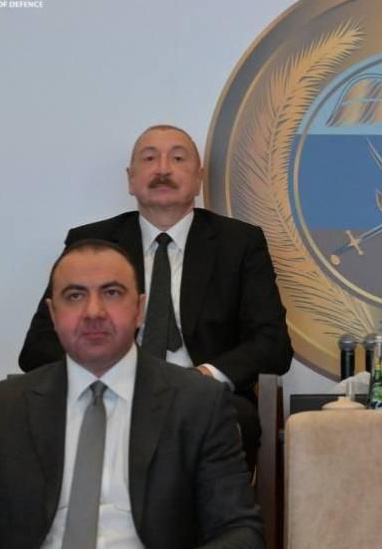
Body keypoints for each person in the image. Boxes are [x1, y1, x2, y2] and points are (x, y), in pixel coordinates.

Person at [0, 239, 263, 548]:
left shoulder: (198, 403)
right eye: (75, 296)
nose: (94, 312)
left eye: (112, 293)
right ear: (53, 314)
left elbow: (239, 530)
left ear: (140, 309)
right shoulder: (4, 407)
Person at [19, 124, 292, 465]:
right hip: (107, 392)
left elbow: (271, 344)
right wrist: (112, 378)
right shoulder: (91, 243)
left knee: (228, 421)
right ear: (131, 179)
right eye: (149, 159)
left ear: (199, 179)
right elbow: (38, 348)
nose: (163, 169)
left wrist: (204, 378)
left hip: (203, 398)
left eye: (177, 158)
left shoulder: (239, 243)